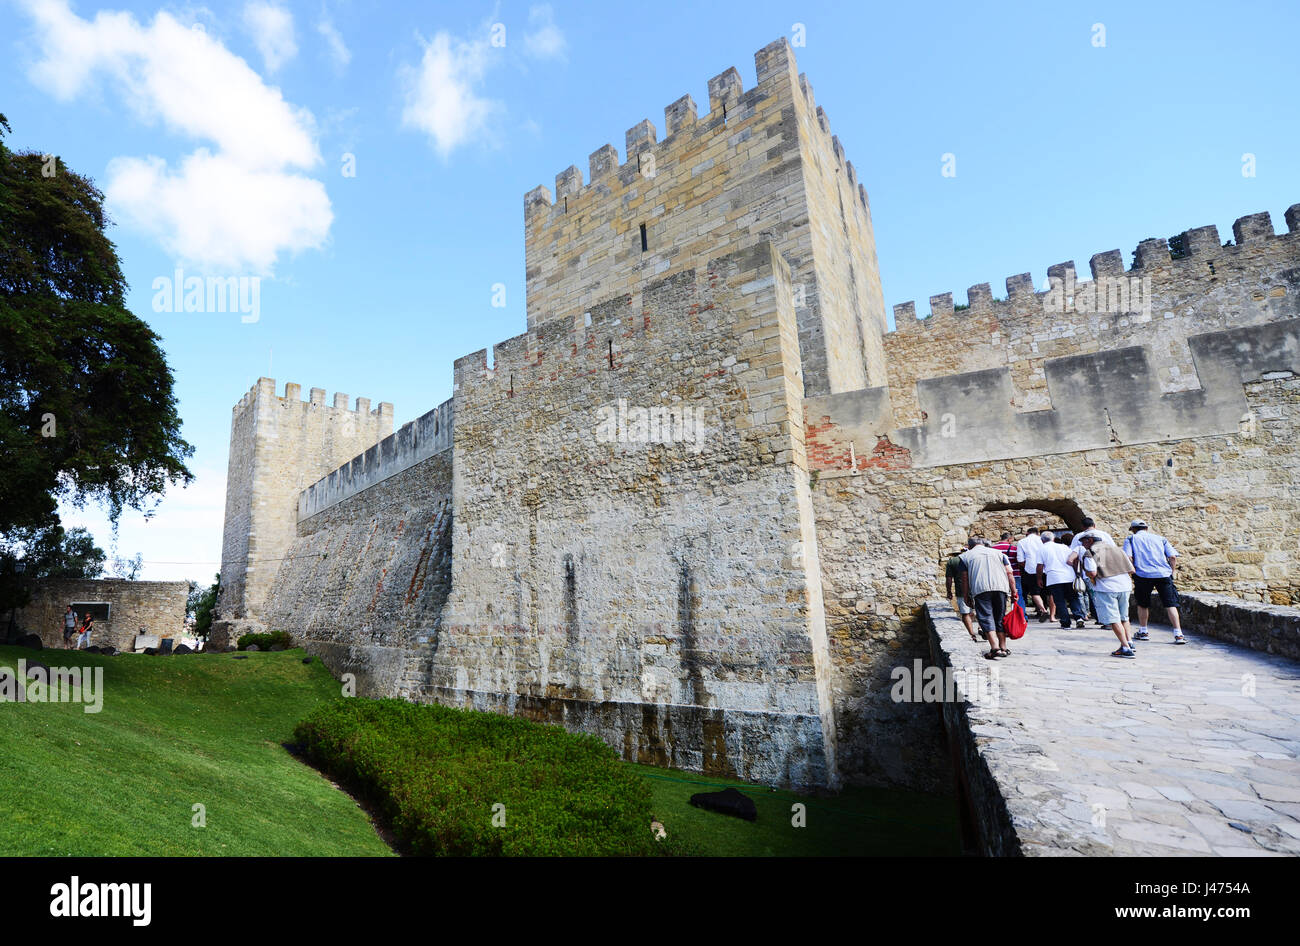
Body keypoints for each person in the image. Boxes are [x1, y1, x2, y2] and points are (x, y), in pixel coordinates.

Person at [1073, 532, 1137, 658]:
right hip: (1124, 585)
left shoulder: (1091, 552)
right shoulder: (1117, 549)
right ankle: (1129, 641)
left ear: (1090, 540)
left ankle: (1125, 648)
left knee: (1113, 618)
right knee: (1124, 616)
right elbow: (1132, 570)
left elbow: (1092, 572)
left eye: (1083, 542)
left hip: (1107, 587)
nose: (1083, 545)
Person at [1124, 519, 1186, 644]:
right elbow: (1172, 557)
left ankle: (1143, 631)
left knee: (1143, 604)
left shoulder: (1131, 539)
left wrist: (1134, 570)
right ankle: (1178, 633)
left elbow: (1128, 557)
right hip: (1163, 573)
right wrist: (1171, 572)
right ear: (1146, 528)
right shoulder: (1161, 539)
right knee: (1170, 603)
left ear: (1134, 530)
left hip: (1142, 574)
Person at [959, 536, 1017, 660]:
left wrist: (966, 596)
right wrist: (1014, 592)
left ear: (969, 546)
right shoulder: (999, 553)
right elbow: (1010, 574)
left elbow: (964, 579)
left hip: (981, 589)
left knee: (986, 617)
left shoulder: (965, 557)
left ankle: (995, 648)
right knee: (1000, 617)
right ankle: (1003, 647)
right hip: (1001, 587)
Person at [1038, 530, 1085, 628]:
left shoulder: (1041, 549)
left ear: (1042, 540)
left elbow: (1040, 566)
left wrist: (1039, 578)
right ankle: (1079, 617)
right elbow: (1074, 560)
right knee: (1073, 598)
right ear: (1053, 538)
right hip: (1069, 576)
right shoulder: (1064, 547)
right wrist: (1077, 573)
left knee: (1059, 601)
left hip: (1054, 577)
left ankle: (1065, 622)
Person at [1017, 527, 1051, 622]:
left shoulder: (1022, 542)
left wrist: (1027, 566)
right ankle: (1053, 614)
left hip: (1031, 570)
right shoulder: (1043, 540)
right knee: (1049, 593)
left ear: (1027, 533)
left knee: (1035, 592)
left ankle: (1043, 610)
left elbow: (1020, 560)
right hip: (1047, 569)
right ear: (1037, 533)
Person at [944, 548, 978, 640]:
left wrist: (949, 592)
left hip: (961, 591)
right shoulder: (972, 558)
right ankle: (981, 628)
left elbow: (949, 579)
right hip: (977, 589)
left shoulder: (952, 562)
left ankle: (972, 634)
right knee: (981, 611)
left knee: (965, 613)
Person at [992, 532, 1023, 603]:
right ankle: (1020, 612)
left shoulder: (992, 549)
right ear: (1009, 539)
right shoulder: (1014, 549)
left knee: (1000, 596)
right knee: (1018, 595)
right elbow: (1019, 561)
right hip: (1014, 574)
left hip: (998, 576)